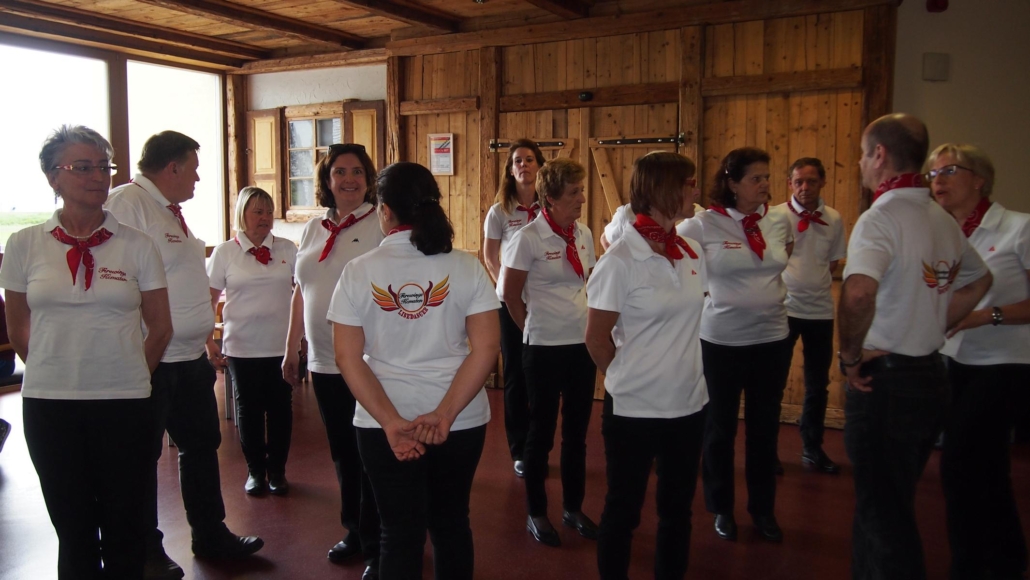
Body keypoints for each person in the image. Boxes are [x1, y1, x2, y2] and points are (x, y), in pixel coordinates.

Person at [0, 125, 173, 578]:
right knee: (72, 528)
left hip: (125, 403)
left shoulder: (138, 244)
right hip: (50, 405)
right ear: (52, 177)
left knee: (124, 526)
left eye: (103, 167)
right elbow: (18, 327)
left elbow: (160, 327)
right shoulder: (24, 245)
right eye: (82, 167)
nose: (97, 177)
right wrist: (51, 370)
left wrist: (130, 374)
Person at [838, 114, 992, 580]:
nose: (861, 163)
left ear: (879, 155)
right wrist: (933, 321)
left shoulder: (881, 218)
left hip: (887, 385)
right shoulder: (939, 218)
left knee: (885, 516)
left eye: (863, 154)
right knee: (887, 501)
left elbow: (858, 293)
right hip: (930, 375)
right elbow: (979, 280)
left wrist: (849, 357)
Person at [328, 161, 500, 579]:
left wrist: (390, 422)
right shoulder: (466, 266)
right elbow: (487, 348)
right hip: (459, 422)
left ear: (385, 210)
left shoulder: (358, 271)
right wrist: (444, 415)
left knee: (398, 534)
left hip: (383, 423)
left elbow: (347, 358)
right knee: (451, 524)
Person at [106, 130, 263, 579]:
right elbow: (118, 278)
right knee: (140, 459)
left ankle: (210, 534)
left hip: (189, 356)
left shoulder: (167, 212)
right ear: (171, 167)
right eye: (193, 169)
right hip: (152, 358)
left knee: (201, 447)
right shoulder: (128, 205)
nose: (197, 178)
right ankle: (145, 551)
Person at [585, 152, 708, 579]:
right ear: (661, 190)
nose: (696, 190)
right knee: (623, 511)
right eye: (689, 183)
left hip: (689, 404)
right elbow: (596, 339)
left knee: (677, 512)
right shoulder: (620, 260)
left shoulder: (691, 251)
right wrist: (628, 377)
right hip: (635, 410)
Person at [677, 147, 794, 543]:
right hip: (722, 342)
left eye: (766, 177)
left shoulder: (778, 219)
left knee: (764, 429)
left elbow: (783, 255)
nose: (764, 184)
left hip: (772, 339)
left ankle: (763, 510)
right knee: (720, 427)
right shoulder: (703, 224)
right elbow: (666, 253)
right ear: (731, 183)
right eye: (755, 178)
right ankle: (721, 507)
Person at [928, 143, 1030, 579]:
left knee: (959, 464)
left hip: (1007, 363)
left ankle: (969, 566)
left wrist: (984, 316)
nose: (938, 180)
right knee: (987, 469)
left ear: (980, 179)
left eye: (949, 170)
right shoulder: (946, 235)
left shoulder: (1019, 228)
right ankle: (1007, 560)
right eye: (933, 173)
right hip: (958, 361)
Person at [281, 143, 383, 576]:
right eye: (339, 172)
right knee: (343, 452)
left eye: (357, 172)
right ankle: (354, 530)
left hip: (367, 361)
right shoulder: (313, 228)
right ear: (326, 179)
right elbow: (301, 291)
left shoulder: (380, 224)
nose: (349, 180)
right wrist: (292, 346)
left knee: (372, 454)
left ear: (369, 179)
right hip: (323, 362)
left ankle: (379, 544)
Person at [501, 157, 598, 547]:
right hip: (543, 348)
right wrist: (532, 328)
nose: (582, 199)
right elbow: (510, 295)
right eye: (574, 192)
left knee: (577, 434)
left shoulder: (583, 233)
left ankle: (573, 508)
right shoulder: (528, 238)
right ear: (551, 198)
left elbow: (589, 282)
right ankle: (536, 512)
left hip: (581, 346)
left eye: (582, 190)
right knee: (540, 433)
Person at [208, 186, 297, 496]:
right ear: (242, 214)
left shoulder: (287, 249)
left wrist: (299, 340)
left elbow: (302, 295)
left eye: (269, 211)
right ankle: (255, 471)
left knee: (281, 409)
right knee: (249, 410)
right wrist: (208, 341)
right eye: (258, 211)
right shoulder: (225, 253)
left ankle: (278, 472)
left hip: (280, 345)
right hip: (241, 346)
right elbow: (208, 300)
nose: (265, 217)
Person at [778, 158, 847, 473]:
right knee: (774, 382)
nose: (805, 187)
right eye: (798, 182)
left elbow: (832, 263)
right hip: (783, 309)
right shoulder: (776, 216)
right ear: (790, 184)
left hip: (820, 311)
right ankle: (767, 451)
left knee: (818, 385)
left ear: (823, 182)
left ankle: (812, 448)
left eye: (812, 181)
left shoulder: (833, 218)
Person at [483, 139, 545, 478]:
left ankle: (540, 444)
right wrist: (509, 292)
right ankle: (519, 449)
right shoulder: (500, 212)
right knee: (517, 376)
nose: (524, 165)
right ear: (510, 169)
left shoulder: (550, 207)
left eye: (530, 159)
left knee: (542, 375)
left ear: (539, 166)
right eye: (518, 160)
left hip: (544, 302)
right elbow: (491, 257)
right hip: (510, 304)